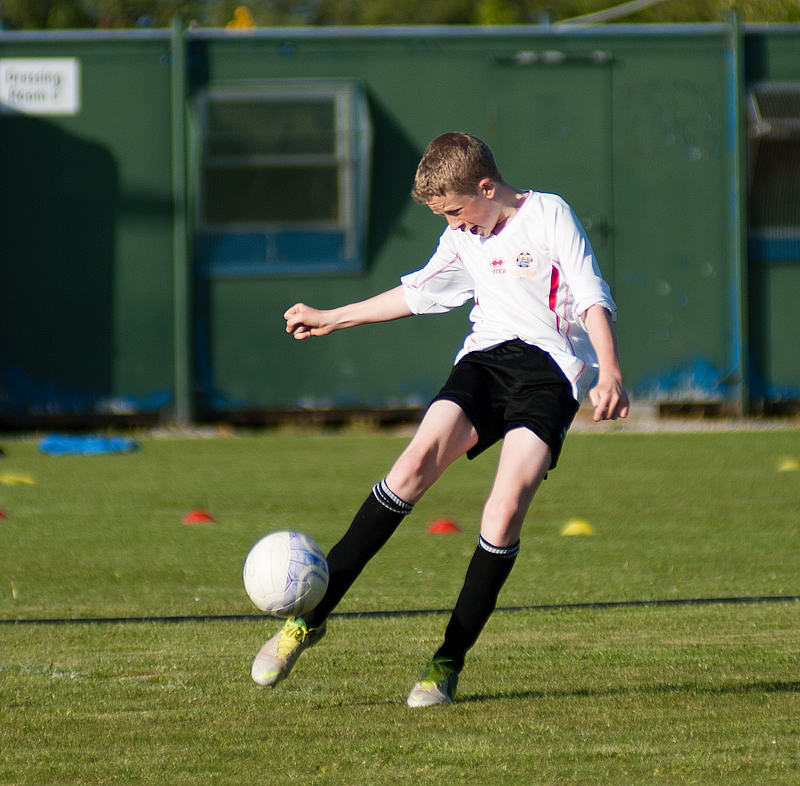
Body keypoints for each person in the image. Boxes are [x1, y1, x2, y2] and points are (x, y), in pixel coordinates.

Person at [251, 132, 629, 706]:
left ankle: (445, 662)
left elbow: (589, 291)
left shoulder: (548, 213)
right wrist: (333, 317)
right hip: (486, 361)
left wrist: (611, 371)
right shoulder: (461, 234)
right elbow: (417, 292)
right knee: (411, 466)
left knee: (503, 512)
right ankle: (309, 618)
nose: (454, 224)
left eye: (455, 210)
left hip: (550, 376)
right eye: (443, 216)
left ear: (486, 186)